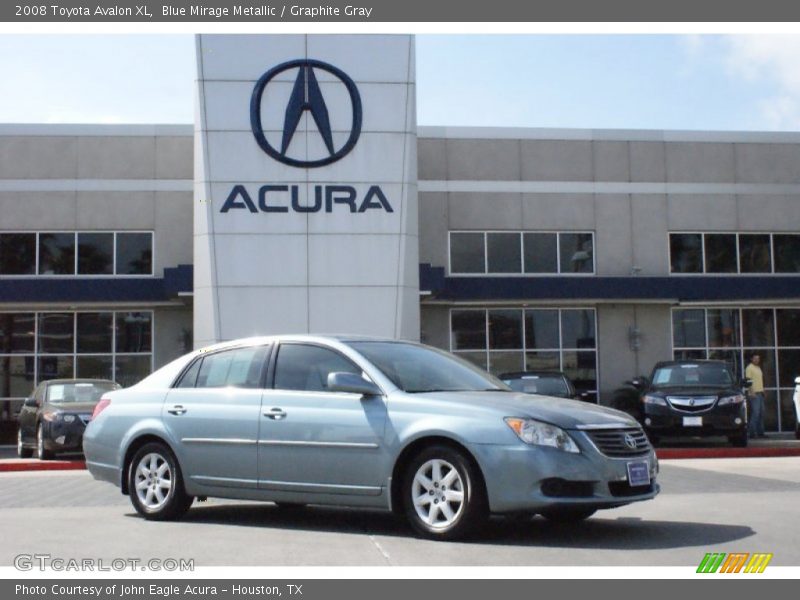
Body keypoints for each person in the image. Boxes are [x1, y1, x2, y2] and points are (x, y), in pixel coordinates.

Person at [745, 353, 766, 438]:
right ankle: (752, 433)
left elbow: (759, 380)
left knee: (761, 413)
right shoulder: (749, 368)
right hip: (754, 394)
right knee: (755, 413)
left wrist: (763, 389)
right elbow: (748, 381)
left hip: (760, 393)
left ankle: (761, 432)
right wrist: (751, 391)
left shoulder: (758, 367)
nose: (757, 360)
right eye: (755, 358)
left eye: (758, 358)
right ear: (751, 359)